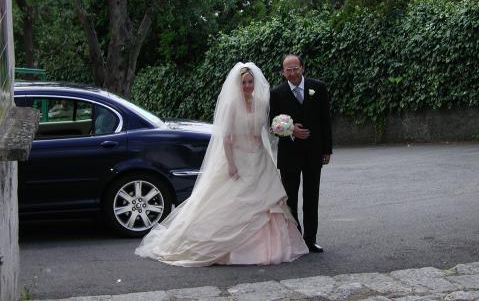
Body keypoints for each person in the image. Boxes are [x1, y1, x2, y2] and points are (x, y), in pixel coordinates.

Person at [135, 62, 308, 267]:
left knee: (268, 202)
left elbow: (266, 129)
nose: (247, 86)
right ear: (238, 84)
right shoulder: (232, 105)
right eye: (244, 82)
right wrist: (231, 164)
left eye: (250, 82)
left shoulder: (262, 102)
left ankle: (269, 247)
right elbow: (226, 138)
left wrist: (284, 127)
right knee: (232, 202)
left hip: (259, 158)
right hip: (238, 158)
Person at [269, 54, 332, 253]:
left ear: (302, 68)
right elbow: (272, 124)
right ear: (282, 72)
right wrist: (290, 129)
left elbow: (325, 120)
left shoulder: (318, 88)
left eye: (296, 68)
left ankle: (311, 239)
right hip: (289, 154)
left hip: (314, 152)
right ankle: (295, 240)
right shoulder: (276, 93)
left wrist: (327, 149)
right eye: (288, 69)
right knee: (291, 199)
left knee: (312, 197)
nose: (293, 73)